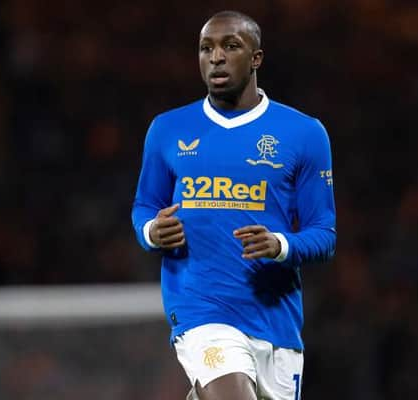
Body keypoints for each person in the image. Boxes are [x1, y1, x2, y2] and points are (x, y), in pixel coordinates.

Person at [131, 10, 336, 400]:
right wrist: (151, 231)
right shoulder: (168, 130)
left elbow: (324, 234)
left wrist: (280, 245)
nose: (216, 57)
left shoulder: (304, 133)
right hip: (201, 312)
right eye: (206, 48)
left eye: (230, 46)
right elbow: (145, 205)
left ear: (256, 58)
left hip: (275, 324)